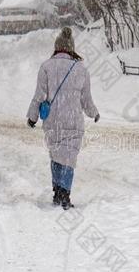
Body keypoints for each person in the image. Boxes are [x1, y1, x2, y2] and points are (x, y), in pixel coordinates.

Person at [27, 27, 100, 209]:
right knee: (68, 157)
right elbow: (86, 99)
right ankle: (64, 194)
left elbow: (39, 95)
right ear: (71, 48)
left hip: (53, 121)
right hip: (73, 120)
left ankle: (57, 191)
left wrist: (32, 116)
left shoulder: (46, 67)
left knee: (56, 155)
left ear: (57, 47)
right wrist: (94, 113)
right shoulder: (81, 69)